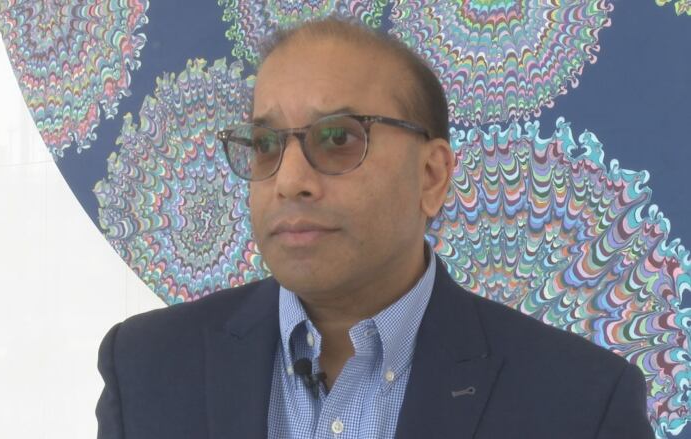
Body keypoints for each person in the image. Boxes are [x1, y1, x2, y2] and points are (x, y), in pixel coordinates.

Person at [96, 17, 654, 439]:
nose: (289, 180)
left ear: (432, 175)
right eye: (265, 144)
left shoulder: (581, 403)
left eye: (337, 138)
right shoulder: (148, 366)